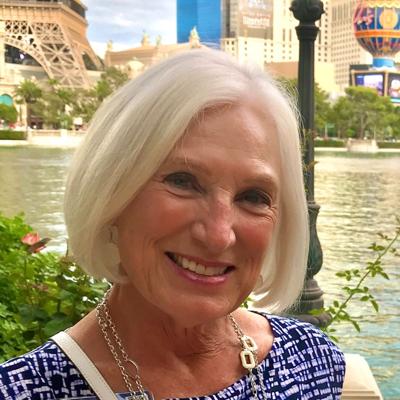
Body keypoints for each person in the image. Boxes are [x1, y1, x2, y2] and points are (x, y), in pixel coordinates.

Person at [0, 49, 345, 399]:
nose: (218, 235)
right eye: (183, 181)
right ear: (112, 193)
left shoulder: (312, 363)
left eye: (253, 197)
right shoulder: (25, 391)